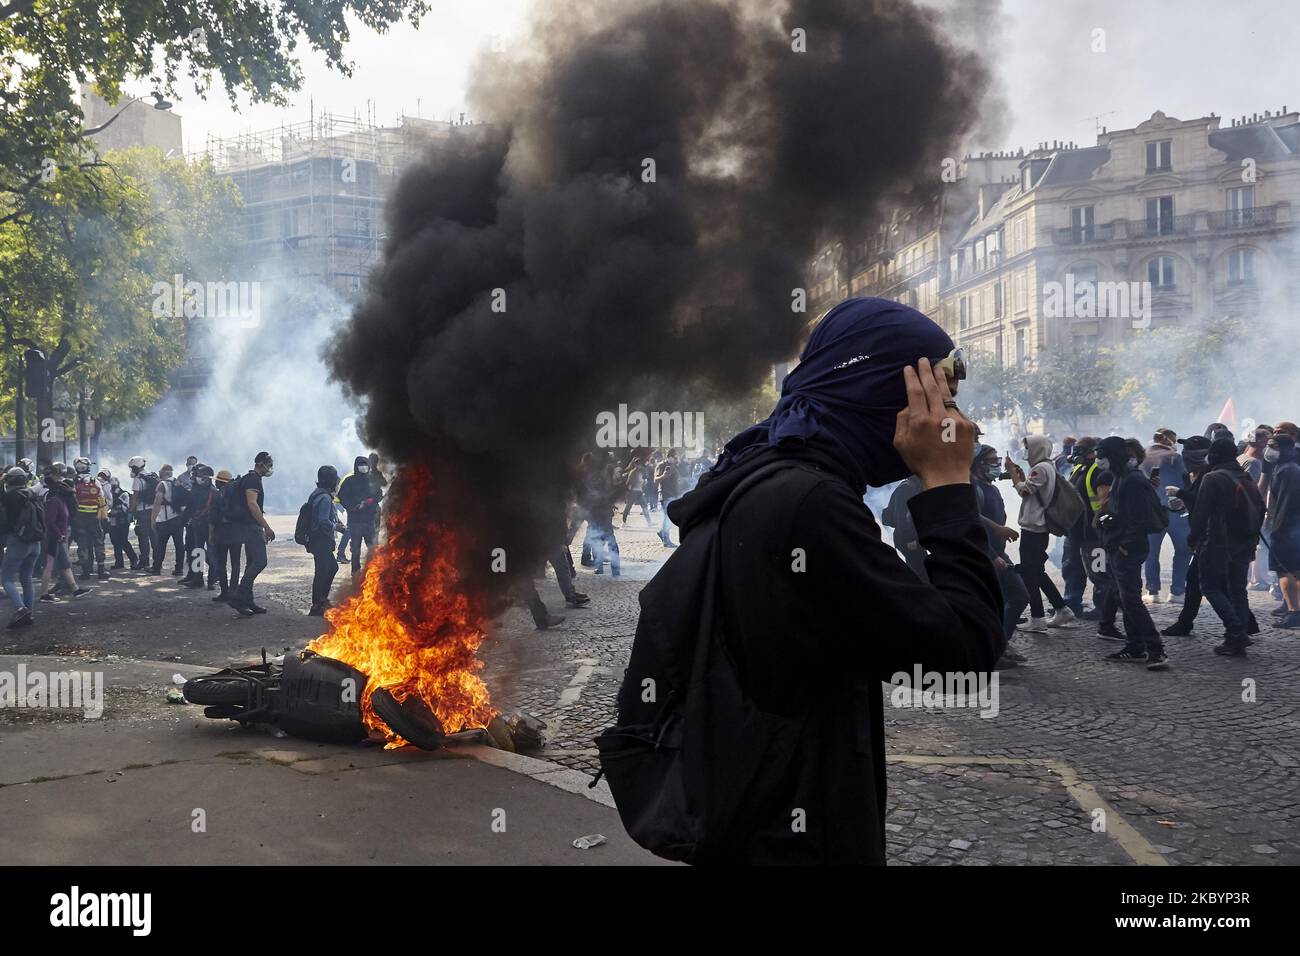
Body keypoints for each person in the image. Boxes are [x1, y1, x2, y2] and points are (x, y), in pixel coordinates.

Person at [632, 297, 1002, 864]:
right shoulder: (811, 503)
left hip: (756, 826)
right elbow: (963, 656)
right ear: (880, 387)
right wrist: (951, 487)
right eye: (937, 399)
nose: (956, 421)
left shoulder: (762, 474)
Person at [1094, 436, 1167, 669]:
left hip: (1128, 549)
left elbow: (1139, 519)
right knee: (1123, 598)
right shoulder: (1122, 477)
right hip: (1118, 546)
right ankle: (1135, 646)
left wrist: (1125, 546)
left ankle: (1156, 649)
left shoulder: (1133, 480)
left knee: (1132, 601)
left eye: (1102, 454)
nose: (1098, 460)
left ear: (1113, 455)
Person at [1188, 437, 1265, 655]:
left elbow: (1200, 514)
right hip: (1245, 541)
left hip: (1218, 542)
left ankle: (1235, 633)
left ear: (1214, 455)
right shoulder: (1244, 475)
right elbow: (1261, 507)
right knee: (1238, 591)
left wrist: (1192, 539)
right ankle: (1238, 638)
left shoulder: (1213, 478)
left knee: (1210, 586)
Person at [1009, 435, 1076, 631]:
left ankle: (1037, 617)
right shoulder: (1047, 466)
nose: (1026, 452)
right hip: (1039, 528)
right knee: (1036, 571)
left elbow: (1025, 492)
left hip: (1034, 528)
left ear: (1038, 449)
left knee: (1029, 573)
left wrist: (1014, 477)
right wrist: (1022, 477)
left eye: (1028, 448)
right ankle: (1061, 609)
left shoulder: (1040, 468)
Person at [972, 443, 1028, 666]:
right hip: (987, 554)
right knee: (1004, 600)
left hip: (999, 553)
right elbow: (973, 525)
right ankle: (994, 650)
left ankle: (1000, 645)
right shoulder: (973, 489)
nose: (996, 466)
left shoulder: (992, 488)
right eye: (991, 461)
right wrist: (992, 555)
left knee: (1014, 598)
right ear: (977, 465)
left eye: (998, 461)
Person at [1140, 429, 1189, 605]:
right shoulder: (1176, 457)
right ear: (1163, 439)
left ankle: (1152, 591)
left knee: (1151, 552)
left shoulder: (1142, 456)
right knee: (1183, 551)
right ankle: (1177, 592)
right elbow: (1186, 479)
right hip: (1177, 510)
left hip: (1152, 511)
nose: (1174, 443)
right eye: (1173, 440)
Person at [228, 451, 276, 617]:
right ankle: (239, 596)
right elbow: (252, 505)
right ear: (261, 464)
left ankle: (248, 601)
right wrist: (266, 527)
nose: (270, 468)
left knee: (251, 563)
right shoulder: (253, 479)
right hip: (250, 527)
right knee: (260, 561)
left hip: (247, 526)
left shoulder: (249, 478)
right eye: (269, 464)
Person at [1264, 432, 1300, 628]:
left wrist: (1277, 529)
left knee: (1284, 570)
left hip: (1287, 528)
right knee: (1295, 569)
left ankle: (1294, 611)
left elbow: (1286, 503)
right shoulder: (1286, 467)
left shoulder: (1288, 470)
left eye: (1274, 446)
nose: (1269, 450)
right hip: (1291, 528)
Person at [38, 466, 91, 603]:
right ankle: (44, 594)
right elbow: (50, 521)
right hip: (54, 538)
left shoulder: (60, 501)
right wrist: (59, 535)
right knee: (50, 566)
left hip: (58, 537)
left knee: (66, 564)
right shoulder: (56, 501)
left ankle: (75, 590)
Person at [2, 466, 42, 628]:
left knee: (7, 579)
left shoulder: (10, 497)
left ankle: (20, 608)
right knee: (26, 578)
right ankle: (28, 613)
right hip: (35, 542)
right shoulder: (32, 494)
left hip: (18, 541)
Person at [307, 465, 346, 616]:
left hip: (319, 539)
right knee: (322, 571)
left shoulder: (318, 494)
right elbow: (323, 521)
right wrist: (336, 527)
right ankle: (317, 604)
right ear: (330, 481)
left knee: (331, 568)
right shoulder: (324, 498)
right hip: (321, 540)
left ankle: (321, 600)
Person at [336, 455, 383, 575]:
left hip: (369, 520)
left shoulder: (372, 480)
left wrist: (370, 502)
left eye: (365, 464)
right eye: (361, 464)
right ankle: (355, 573)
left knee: (372, 548)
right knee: (355, 550)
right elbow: (341, 496)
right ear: (356, 466)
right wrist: (352, 507)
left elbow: (379, 494)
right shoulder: (349, 481)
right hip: (355, 521)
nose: (364, 467)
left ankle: (373, 572)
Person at [882, 474, 929, 583]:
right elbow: (902, 518)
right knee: (920, 572)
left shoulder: (911, 488)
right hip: (907, 539)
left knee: (921, 570)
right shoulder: (906, 489)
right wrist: (910, 539)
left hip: (910, 537)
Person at [70, 456, 108, 581]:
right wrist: (103, 516)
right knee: (98, 543)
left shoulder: (73, 481)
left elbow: (71, 499)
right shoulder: (95, 481)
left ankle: (86, 572)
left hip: (79, 519)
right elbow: (102, 499)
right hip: (94, 518)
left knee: (83, 545)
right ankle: (101, 571)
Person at [180, 465, 217, 588]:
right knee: (200, 551)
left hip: (207, 526)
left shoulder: (209, 492)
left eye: (201, 476)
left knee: (205, 552)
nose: (198, 478)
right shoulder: (210, 491)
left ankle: (206, 579)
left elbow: (190, 508)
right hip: (202, 526)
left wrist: (183, 521)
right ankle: (202, 579)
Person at [208, 469, 241, 603]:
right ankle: (233, 591)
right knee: (235, 563)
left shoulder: (216, 496)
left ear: (219, 482)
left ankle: (224, 592)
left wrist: (211, 534)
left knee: (222, 563)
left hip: (221, 533)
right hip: (236, 533)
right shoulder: (238, 495)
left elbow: (212, 517)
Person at [150, 464, 185, 576]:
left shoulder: (162, 484)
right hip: (178, 518)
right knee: (179, 545)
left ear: (163, 472)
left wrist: (153, 519)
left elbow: (157, 503)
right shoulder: (178, 482)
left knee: (161, 544)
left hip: (165, 519)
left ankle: (156, 568)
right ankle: (179, 569)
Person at [128, 456, 156, 570]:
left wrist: (130, 510)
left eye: (132, 468)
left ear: (135, 467)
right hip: (153, 510)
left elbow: (135, 497)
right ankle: (156, 562)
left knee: (143, 537)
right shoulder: (150, 476)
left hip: (143, 512)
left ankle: (144, 561)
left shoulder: (138, 479)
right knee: (154, 537)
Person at [105, 475, 137, 570]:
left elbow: (120, 505)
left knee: (123, 541)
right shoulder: (109, 495)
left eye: (114, 486)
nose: (113, 488)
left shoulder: (124, 494)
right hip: (113, 521)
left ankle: (134, 559)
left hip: (123, 521)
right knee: (115, 541)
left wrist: (112, 498)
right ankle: (119, 562)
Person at [655, 449, 682, 547]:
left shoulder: (673, 466)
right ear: (669, 456)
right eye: (674, 457)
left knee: (669, 518)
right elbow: (656, 479)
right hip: (665, 495)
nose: (676, 459)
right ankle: (666, 540)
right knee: (668, 518)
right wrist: (663, 476)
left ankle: (662, 533)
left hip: (673, 495)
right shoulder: (661, 465)